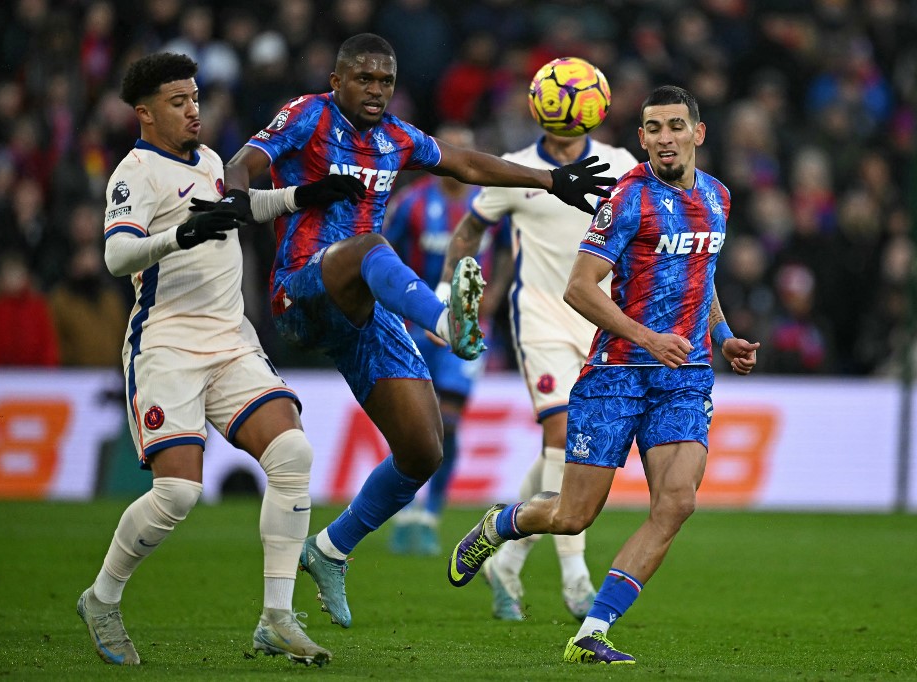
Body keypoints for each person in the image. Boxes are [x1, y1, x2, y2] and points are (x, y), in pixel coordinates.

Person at [220, 33, 613, 629]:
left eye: (385, 81)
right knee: (371, 245)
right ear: (338, 81)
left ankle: (328, 550)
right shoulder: (308, 115)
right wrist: (237, 196)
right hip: (301, 290)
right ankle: (446, 320)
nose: (376, 90)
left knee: (423, 449)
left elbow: (467, 162)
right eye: (364, 79)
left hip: (362, 310)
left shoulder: (396, 138)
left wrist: (551, 181)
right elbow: (243, 163)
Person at [447, 86, 760, 665]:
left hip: (684, 376)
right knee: (571, 516)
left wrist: (722, 337)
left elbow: (702, 275)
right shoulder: (628, 198)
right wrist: (645, 337)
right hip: (618, 372)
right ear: (640, 139)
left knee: (677, 504)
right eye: (653, 129)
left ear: (698, 132)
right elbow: (579, 286)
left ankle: (592, 631)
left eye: (675, 126)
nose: (665, 138)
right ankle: (504, 522)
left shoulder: (718, 197)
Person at [75, 52, 364, 668]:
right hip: (167, 344)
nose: (193, 110)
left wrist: (302, 196)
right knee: (177, 493)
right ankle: (102, 598)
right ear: (146, 113)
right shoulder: (133, 173)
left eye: (195, 97)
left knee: (293, 453)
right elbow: (117, 256)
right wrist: (178, 235)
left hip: (230, 337)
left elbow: (242, 208)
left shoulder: (208, 161)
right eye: (178, 101)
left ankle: (277, 618)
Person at [439, 120, 637, 619]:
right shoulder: (517, 168)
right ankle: (576, 579)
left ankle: (505, 557)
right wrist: (445, 298)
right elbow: (469, 229)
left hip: (601, 319)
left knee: (575, 445)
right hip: (540, 319)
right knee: (563, 431)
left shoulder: (620, 164)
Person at [383, 123, 512, 556]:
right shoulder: (413, 203)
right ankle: (404, 506)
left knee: (450, 418)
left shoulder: (489, 203)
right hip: (417, 325)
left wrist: (493, 296)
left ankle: (431, 513)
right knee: (414, 420)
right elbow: (382, 251)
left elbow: (510, 250)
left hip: (469, 325)